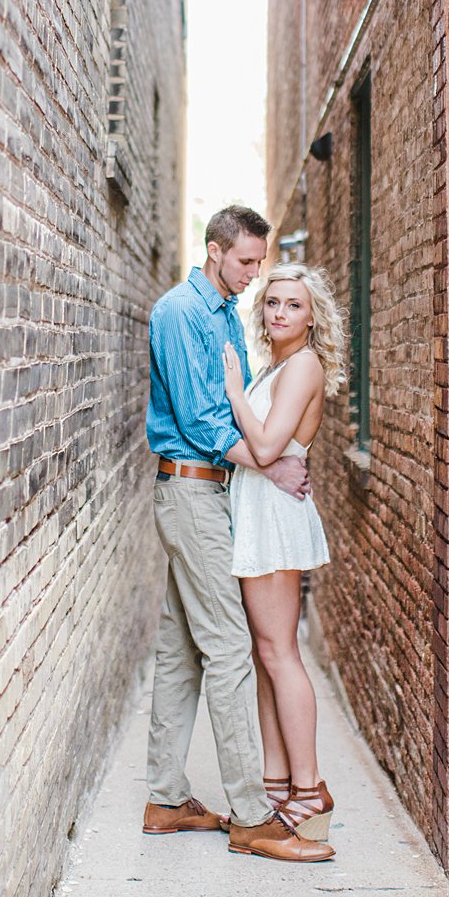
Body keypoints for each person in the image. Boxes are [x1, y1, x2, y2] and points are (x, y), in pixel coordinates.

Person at [143, 206, 335, 863]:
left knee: (180, 645)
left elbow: (245, 406)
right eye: (247, 263)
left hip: (215, 492)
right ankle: (253, 814)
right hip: (191, 486)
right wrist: (270, 460)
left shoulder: (225, 311)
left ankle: (166, 797)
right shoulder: (179, 312)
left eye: (262, 264)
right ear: (214, 250)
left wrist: (272, 455)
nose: (256, 278)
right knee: (230, 647)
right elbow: (204, 420)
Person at [222, 263, 343, 843]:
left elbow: (268, 444)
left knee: (280, 652)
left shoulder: (303, 366)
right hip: (260, 506)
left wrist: (230, 395)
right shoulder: (277, 364)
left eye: (293, 305)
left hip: (274, 514)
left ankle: (310, 788)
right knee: (265, 649)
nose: (279, 313)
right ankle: (276, 781)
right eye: (272, 303)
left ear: (311, 316)